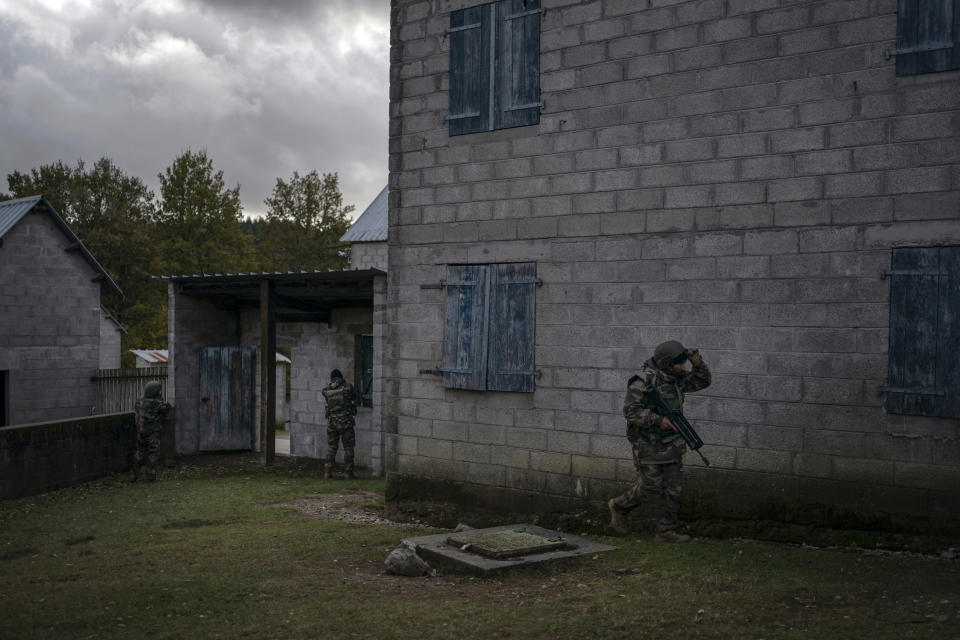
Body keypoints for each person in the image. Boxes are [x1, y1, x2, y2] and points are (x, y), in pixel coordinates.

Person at [608, 340, 711, 542]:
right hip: (647, 442)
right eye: (679, 363)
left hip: (673, 442)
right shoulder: (643, 382)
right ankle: (619, 507)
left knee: (674, 487)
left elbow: (703, 381)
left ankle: (666, 531)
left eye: (684, 363)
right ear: (665, 363)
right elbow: (630, 411)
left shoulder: (677, 379)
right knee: (651, 487)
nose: (683, 367)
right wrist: (658, 420)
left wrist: (698, 363)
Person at [321, 369, 357, 479]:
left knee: (331, 447)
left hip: (332, 423)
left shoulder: (326, 390)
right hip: (346, 422)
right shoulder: (348, 387)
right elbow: (354, 397)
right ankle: (348, 473)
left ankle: (327, 472)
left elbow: (327, 398)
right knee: (348, 448)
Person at [132, 381, 171, 482]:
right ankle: (150, 476)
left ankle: (135, 475)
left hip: (140, 432)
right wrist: (160, 398)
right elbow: (167, 407)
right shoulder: (156, 403)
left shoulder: (139, 402)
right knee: (153, 452)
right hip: (152, 432)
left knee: (139, 453)